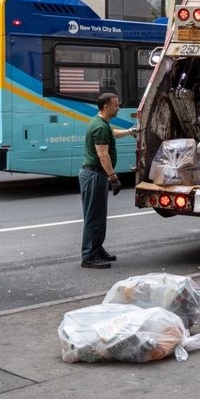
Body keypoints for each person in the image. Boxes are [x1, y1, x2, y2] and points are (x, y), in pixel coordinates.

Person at [80, 92, 135, 269]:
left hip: (93, 175)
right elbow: (103, 155)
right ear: (106, 107)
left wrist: (130, 132)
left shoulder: (100, 122)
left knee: (98, 216)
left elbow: (113, 134)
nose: (118, 107)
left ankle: (97, 248)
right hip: (95, 175)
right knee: (94, 217)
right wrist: (113, 178)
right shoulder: (101, 127)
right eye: (116, 105)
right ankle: (89, 257)